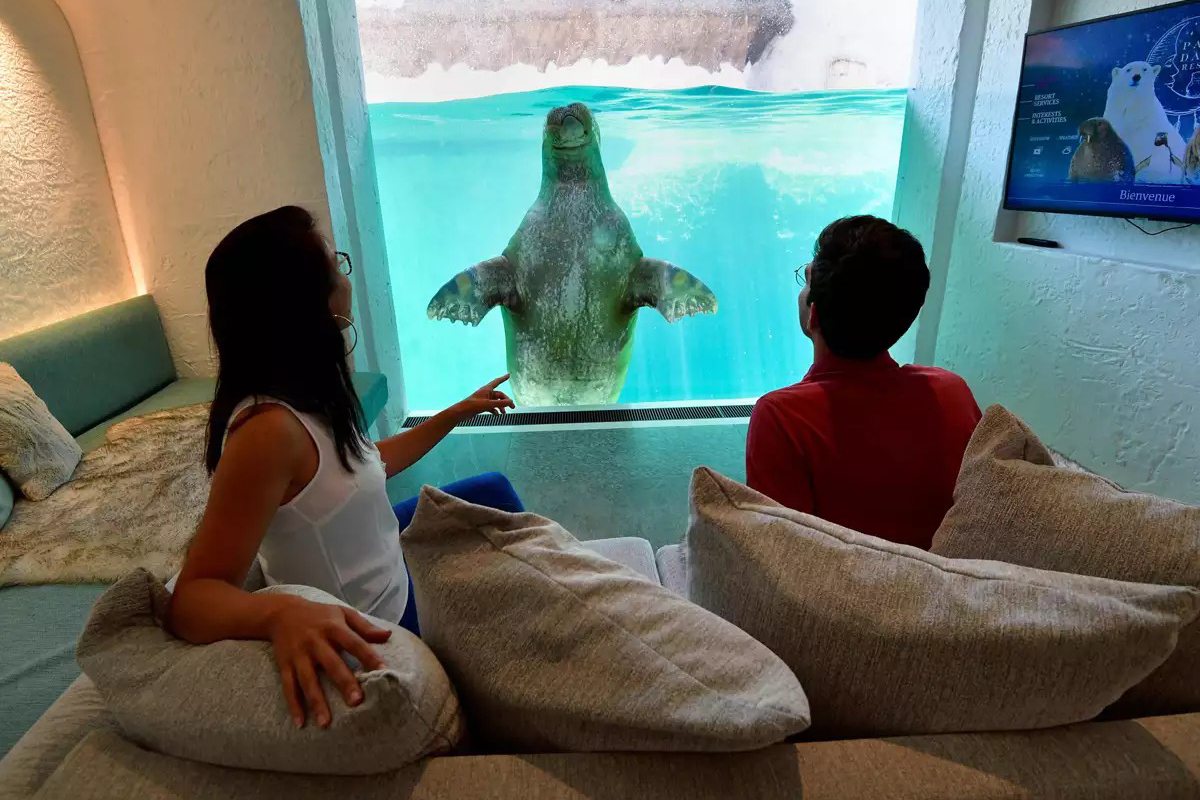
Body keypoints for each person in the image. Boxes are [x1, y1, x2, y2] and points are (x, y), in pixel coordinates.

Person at [167, 206, 515, 730]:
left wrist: (454, 413)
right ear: (299, 299)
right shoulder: (267, 432)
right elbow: (192, 599)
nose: (345, 274)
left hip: (392, 572)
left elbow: (364, 463)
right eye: (336, 265)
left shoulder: (311, 387)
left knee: (494, 491)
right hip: (380, 622)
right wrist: (280, 612)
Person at [746, 215, 981, 549]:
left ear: (814, 314)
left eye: (806, 279)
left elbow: (781, 553)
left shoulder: (781, 418)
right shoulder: (951, 391)